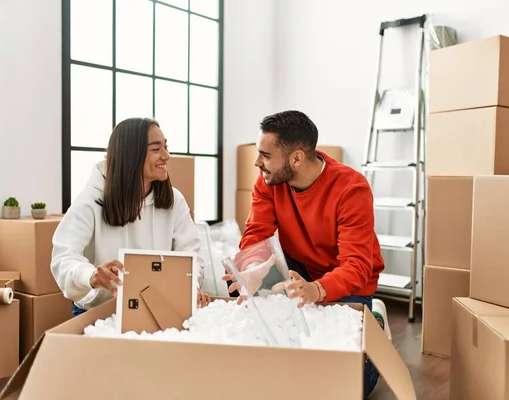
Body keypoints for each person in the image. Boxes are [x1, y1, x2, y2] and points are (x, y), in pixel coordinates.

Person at [224, 110, 388, 399]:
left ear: (296, 158)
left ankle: (373, 321)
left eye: (265, 154)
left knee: (348, 384)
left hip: (346, 280)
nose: (257, 162)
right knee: (274, 360)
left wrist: (317, 289)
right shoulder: (269, 180)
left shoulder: (351, 188)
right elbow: (256, 233)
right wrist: (253, 267)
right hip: (299, 269)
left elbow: (357, 265)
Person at [51, 117, 210, 318]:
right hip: (100, 312)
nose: (166, 155)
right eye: (156, 149)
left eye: (166, 147)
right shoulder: (91, 200)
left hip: (157, 310)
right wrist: (91, 276)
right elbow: (63, 258)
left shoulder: (174, 200)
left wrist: (190, 287)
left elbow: (192, 256)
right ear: (131, 155)